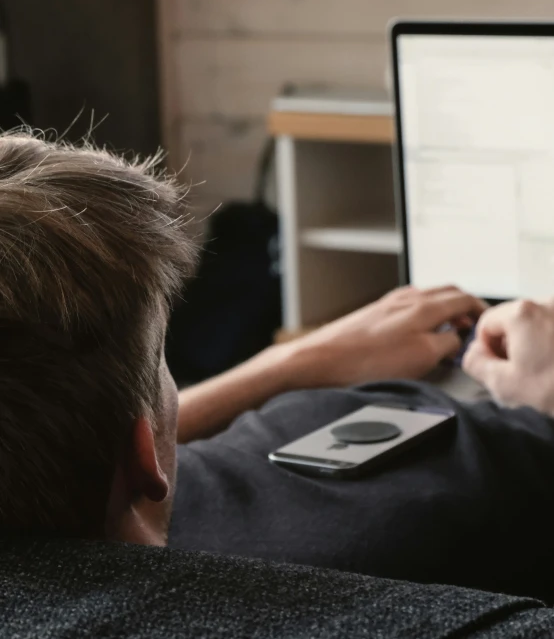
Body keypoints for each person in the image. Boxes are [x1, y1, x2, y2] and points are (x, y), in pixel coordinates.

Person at [2, 131, 554, 604]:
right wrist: (542, 404)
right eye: (161, 362)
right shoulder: (401, 540)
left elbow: (82, 442)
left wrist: (289, 365)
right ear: (145, 458)